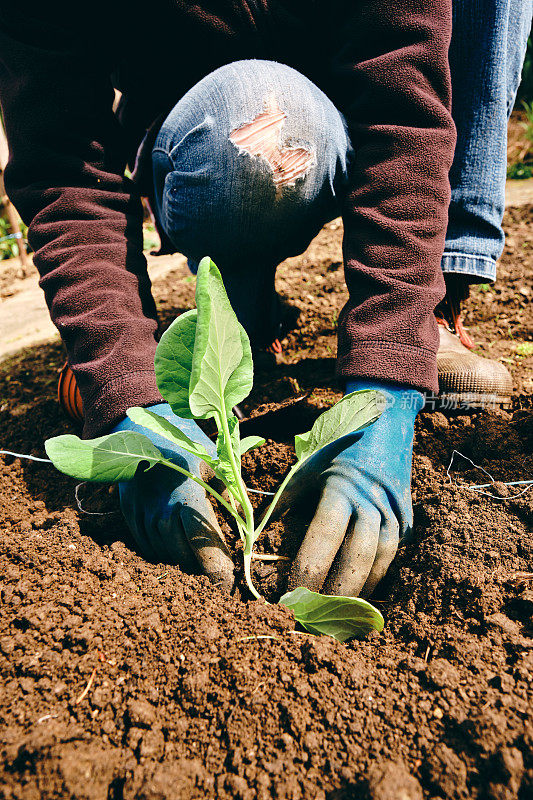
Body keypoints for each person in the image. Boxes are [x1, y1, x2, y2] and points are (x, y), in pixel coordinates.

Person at [0, 1, 528, 596]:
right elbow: (62, 168)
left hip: (343, 95)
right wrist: (126, 390)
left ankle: (434, 305)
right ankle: (241, 314)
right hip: (197, 125)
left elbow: (402, 113)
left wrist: (391, 369)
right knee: (254, 122)